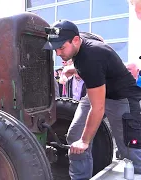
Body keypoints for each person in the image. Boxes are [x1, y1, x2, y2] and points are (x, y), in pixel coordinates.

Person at [42, 19, 141, 179]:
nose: (58, 53)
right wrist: (74, 69)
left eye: (61, 47)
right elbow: (100, 41)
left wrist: (85, 142)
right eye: (55, 49)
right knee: (75, 136)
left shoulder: (91, 58)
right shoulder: (80, 39)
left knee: (129, 148)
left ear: (75, 40)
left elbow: (98, 108)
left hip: (122, 97)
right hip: (97, 90)